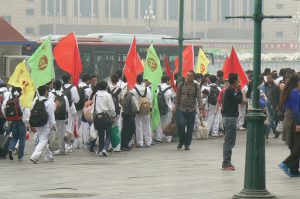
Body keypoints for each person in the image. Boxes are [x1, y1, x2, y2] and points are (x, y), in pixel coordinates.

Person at [278, 75, 300, 177]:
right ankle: (286, 163)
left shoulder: (288, 91)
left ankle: (294, 170)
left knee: (294, 145)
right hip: (294, 121)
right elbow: (296, 110)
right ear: (296, 83)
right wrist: (298, 123)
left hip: (288, 119)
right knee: (297, 146)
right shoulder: (295, 93)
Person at [175, 70, 202, 150]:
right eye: (187, 75)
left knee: (190, 128)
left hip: (192, 110)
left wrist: (201, 108)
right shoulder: (181, 85)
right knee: (181, 125)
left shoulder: (196, 86)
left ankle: (187, 144)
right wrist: (175, 107)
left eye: (190, 76)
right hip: (181, 109)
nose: (187, 77)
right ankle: (181, 141)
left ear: (193, 77)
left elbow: (199, 98)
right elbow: (177, 97)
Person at [222, 73, 243, 170]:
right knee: (229, 141)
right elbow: (239, 100)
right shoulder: (230, 90)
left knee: (229, 141)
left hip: (229, 117)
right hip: (230, 118)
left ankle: (227, 162)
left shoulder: (230, 90)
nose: (239, 82)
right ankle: (226, 163)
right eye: (238, 80)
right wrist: (239, 90)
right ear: (235, 81)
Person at [2, 87, 30, 161]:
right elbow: (26, 111)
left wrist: (8, 118)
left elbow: (4, 107)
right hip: (21, 120)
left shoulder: (10, 98)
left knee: (14, 137)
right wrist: (26, 121)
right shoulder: (22, 98)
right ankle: (20, 156)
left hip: (13, 120)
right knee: (22, 138)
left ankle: (11, 148)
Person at [30, 85, 56, 164]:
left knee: (42, 139)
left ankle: (48, 156)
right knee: (43, 140)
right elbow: (51, 115)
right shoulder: (49, 103)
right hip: (46, 124)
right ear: (45, 92)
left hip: (38, 123)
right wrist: (53, 125)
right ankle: (35, 156)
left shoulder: (36, 101)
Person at [92, 81, 116, 156]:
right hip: (106, 116)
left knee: (100, 134)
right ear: (106, 87)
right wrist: (113, 115)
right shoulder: (108, 95)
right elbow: (111, 107)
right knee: (108, 133)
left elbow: (94, 106)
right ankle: (105, 149)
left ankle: (100, 150)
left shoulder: (95, 95)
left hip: (98, 117)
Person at [51, 80, 70, 155]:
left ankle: (57, 149)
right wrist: (66, 117)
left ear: (54, 86)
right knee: (61, 133)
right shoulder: (64, 95)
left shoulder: (51, 95)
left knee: (54, 133)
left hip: (54, 116)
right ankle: (62, 149)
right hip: (62, 117)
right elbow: (67, 107)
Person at [133, 74, 152, 148]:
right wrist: (150, 108)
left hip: (138, 109)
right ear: (142, 80)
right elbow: (150, 99)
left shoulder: (134, 89)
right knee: (147, 125)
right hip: (146, 108)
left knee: (138, 126)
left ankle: (140, 142)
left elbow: (133, 100)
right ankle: (148, 141)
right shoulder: (147, 89)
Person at [62, 74, 80, 151]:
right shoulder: (73, 88)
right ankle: (68, 146)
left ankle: (62, 145)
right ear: (69, 79)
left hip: (61, 110)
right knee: (70, 128)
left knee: (62, 128)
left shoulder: (61, 87)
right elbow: (76, 100)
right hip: (70, 109)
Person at [155, 76, 173, 143]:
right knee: (166, 123)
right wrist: (170, 108)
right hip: (166, 108)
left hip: (158, 107)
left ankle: (159, 138)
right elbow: (169, 99)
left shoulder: (157, 87)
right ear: (167, 81)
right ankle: (167, 138)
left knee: (159, 123)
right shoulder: (168, 89)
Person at [263, 73, 281, 141]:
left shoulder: (276, 87)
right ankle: (276, 132)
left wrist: (278, 106)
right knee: (271, 120)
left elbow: (279, 97)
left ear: (272, 78)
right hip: (267, 105)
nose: (268, 79)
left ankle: (266, 135)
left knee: (270, 120)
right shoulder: (266, 86)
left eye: (269, 78)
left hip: (273, 105)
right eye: (267, 78)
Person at [77, 74, 92, 148]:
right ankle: (86, 142)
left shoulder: (77, 86)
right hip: (84, 108)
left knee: (76, 125)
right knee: (85, 124)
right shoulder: (88, 89)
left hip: (76, 108)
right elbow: (89, 99)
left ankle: (75, 143)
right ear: (87, 80)